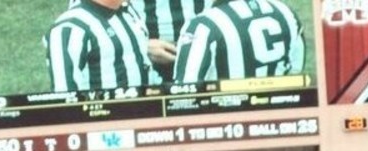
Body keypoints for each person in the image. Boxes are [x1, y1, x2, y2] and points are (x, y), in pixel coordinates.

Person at [173, 0, 305, 84]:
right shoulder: (285, 12)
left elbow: (185, 91)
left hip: (225, 117)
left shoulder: (203, 26)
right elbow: (296, 73)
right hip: (278, 115)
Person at [47, 0, 160, 94]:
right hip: (109, 113)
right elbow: (65, 98)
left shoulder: (128, 11)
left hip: (145, 110)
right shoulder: (70, 28)